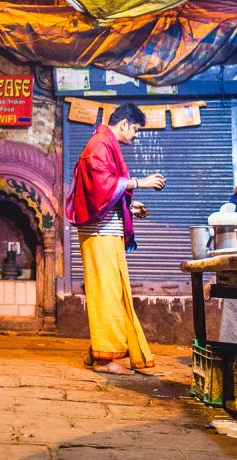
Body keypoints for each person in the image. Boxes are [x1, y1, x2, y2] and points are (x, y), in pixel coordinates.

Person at [67, 102, 167, 376]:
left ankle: (97, 351)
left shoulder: (105, 144)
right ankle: (104, 360)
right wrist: (140, 182)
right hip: (99, 233)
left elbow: (102, 195)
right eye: (135, 129)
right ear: (124, 124)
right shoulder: (100, 145)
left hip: (105, 230)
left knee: (112, 291)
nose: (136, 135)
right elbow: (102, 187)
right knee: (107, 293)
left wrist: (128, 207)